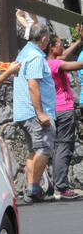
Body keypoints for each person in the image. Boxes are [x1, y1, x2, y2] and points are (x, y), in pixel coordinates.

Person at [12, 22, 56, 203]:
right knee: (44, 148)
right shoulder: (36, 57)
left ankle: (33, 188)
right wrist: (40, 113)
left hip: (23, 111)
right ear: (44, 39)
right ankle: (34, 188)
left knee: (34, 150)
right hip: (34, 112)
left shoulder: (24, 52)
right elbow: (33, 84)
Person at [46, 29, 83, 199]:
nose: (63, 47)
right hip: (64, 109)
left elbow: (64, 56)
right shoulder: (55, 64)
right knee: (64, 147)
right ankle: (61, 186)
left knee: (59, 147)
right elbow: (76, 64)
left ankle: (58, 185)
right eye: (60, 44)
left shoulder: (48, 61)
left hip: (55, 109)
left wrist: (78, 42)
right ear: (52, 47)